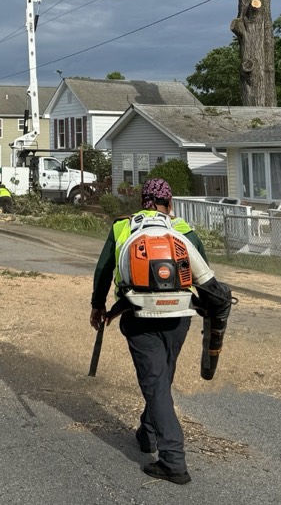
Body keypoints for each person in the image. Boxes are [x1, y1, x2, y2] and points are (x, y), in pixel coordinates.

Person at [89, 177, 211, 486]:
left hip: (138, 313)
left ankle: (173, 460)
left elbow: (104, 269)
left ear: (143, 202)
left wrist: (97, 305)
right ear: (169, 205)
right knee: (160, 378)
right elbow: (204, 275)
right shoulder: (183, 231)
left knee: (155, 382)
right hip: (179, 316)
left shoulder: (122, 228)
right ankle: (148, 432)